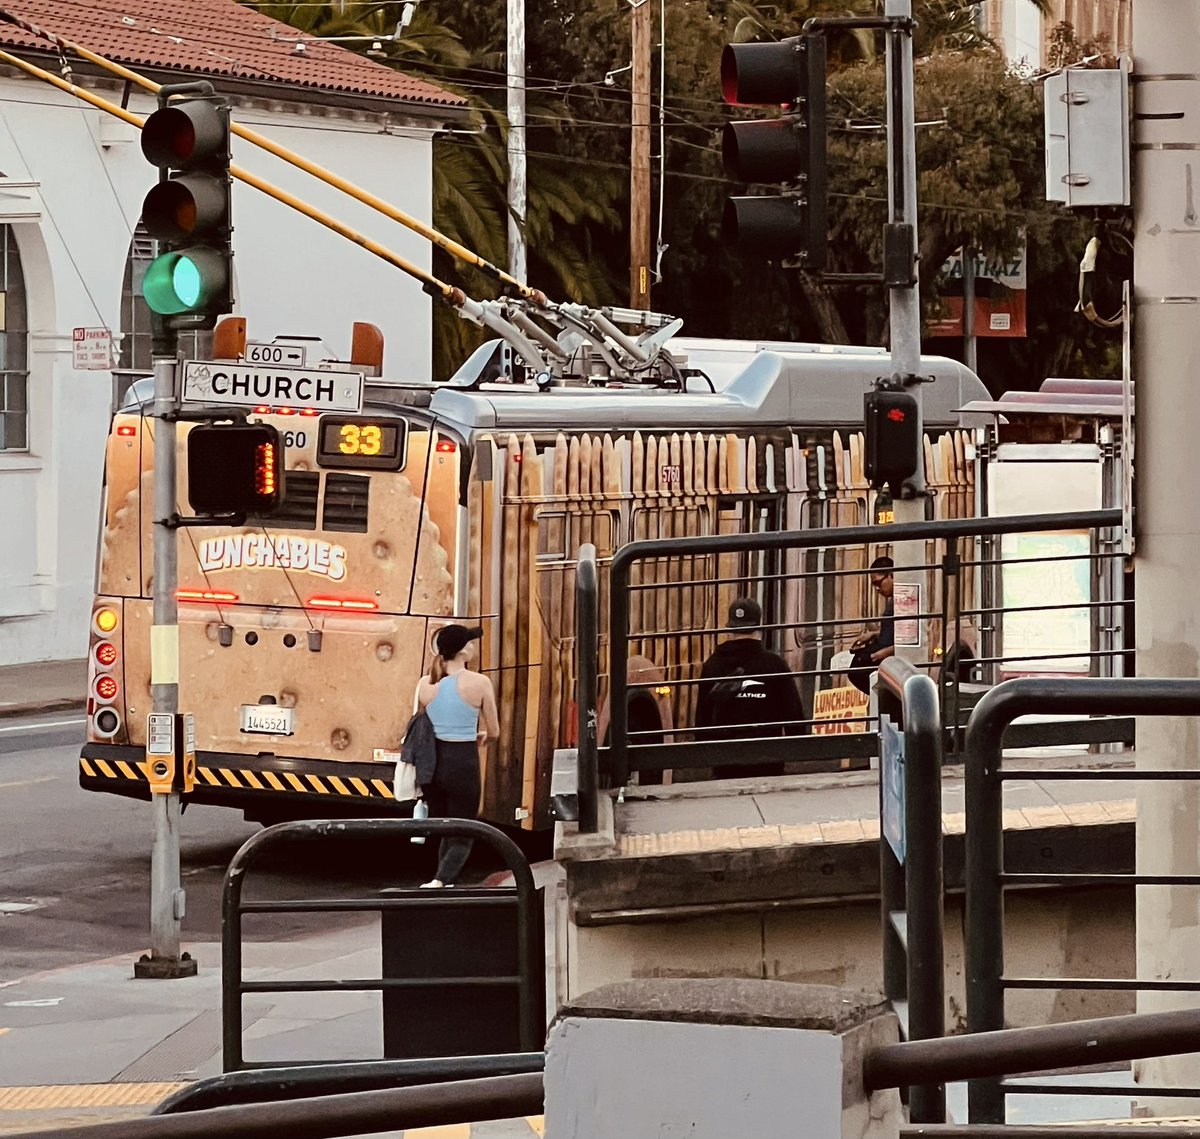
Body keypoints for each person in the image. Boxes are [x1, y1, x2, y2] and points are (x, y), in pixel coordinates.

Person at [414, 623, 500, 888]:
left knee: (445, 828)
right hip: (463, 760)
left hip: (432, 764)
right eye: (470, 643)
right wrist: (481, 736)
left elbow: (418, 725)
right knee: (464, 830)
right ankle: (441, 880)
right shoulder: (480, 683)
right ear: (463, 650)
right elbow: (494, 730)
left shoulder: (424, 684)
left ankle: (442, 880)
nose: (473, 647)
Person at [695, 597, 805, 778]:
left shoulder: (712, 665)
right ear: (758, 626)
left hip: (725, 762)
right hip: (767, 761)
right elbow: (794, 716)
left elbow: (702, 719)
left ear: (730, 627)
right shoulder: (775, 665)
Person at [847, 556, 895, 694]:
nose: (877, 589)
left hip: (887, 661)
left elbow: (910, 641)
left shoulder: (904, 603)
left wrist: (881, 654)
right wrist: (874, 634)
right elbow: (892, 632)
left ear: (891, 575)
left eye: (879, 583)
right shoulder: (891, 602)